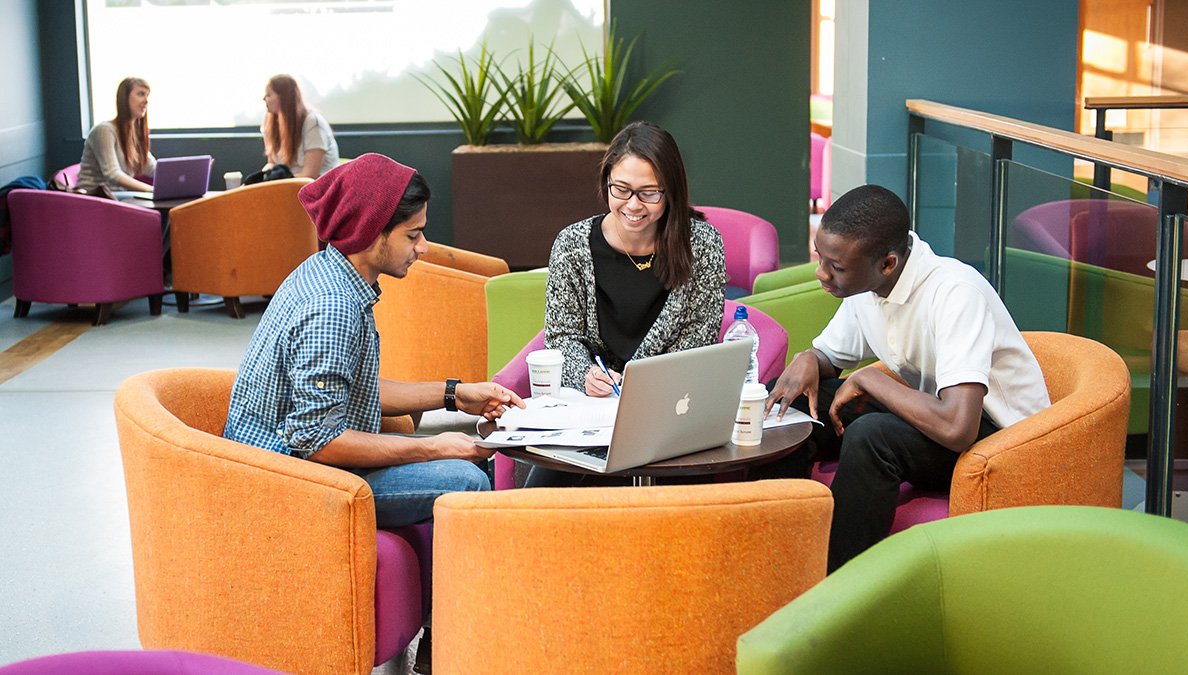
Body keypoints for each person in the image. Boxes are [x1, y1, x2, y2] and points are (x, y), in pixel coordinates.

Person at [759, 184, 1050, 572]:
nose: (821, 273)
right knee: (789, 401)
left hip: (1003, 442)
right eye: (821, 258)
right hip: (936, 414)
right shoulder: (869, 285)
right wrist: (807, 359)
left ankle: (841, 587)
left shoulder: (954, 292)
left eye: (837, 267)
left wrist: (872, 380)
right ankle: (778, 555)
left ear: (888, 263)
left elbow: (958, 427)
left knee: (873, 436)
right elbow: (831, 355)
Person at [223, 153, 524, 526]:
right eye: (412, 235)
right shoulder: (332, 308)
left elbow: (354, 388)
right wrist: (431, 448)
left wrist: (456, 394)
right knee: (468, 481)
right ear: (370, 230)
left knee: (471, 468)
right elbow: (317, 441)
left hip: (297, 461)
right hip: (289, 480)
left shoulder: (331, 272)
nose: (424, 247)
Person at [525, 121, 726, 487]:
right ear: (606, 183)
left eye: (649, 193)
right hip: (589, 410)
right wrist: (585, 374)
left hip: (668, 411)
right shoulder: (572, 244)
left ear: (671, 192)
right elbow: (562, 336)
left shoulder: (703, 245)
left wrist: (641, 386)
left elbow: (700, 336)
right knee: (539, 500)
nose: (633, 205)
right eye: (621, 189)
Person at [77, 77, 156, 192]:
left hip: (118, 196)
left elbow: (151, 168)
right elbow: (113, 174)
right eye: (140, 94)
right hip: (95, 198)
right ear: (124, 99)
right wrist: (151, 190)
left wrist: (179, 176)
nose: (146, 100)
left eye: (147, 95)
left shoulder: (134, 134)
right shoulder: (104, 130)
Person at [260, 74, 339, 179]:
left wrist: (274, 182)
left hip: (315, 189)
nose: (264, 98)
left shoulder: (313, 122)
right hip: (287, 186)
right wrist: (260, 179)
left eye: (269, 94)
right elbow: (272, 162)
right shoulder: (269, 121)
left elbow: (310, 176)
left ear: (283, 97)